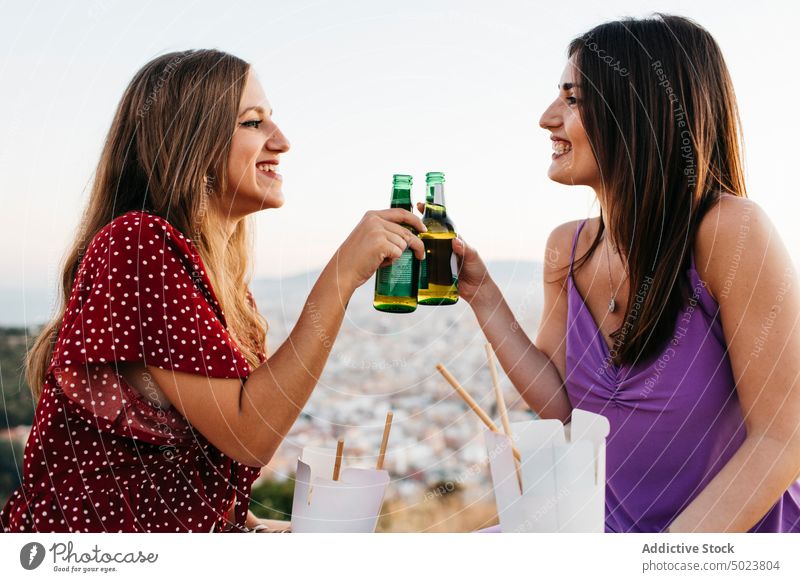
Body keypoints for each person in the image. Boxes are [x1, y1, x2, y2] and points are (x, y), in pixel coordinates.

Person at [0, 49, 426, 533]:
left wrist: (252, 527)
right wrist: (339, 280)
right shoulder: (137, 244)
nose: (281, 142)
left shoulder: (226, 289)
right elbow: (249, 436)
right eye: (252, 123)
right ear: (190, 142)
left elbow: (185, 461)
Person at [449, 14, 800, 532]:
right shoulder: (566, 247)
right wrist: (482, 295)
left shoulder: (729, 231)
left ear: (639, 111)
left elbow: (782, 438)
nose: (547, 118)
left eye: (573, 99)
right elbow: (562, 408)